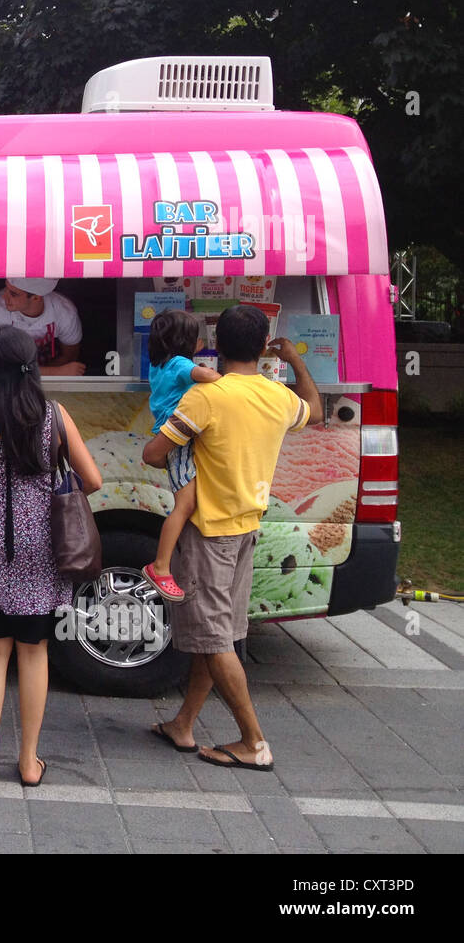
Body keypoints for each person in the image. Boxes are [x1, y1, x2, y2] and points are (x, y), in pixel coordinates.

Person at [142, 305, 322, 770]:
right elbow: (315, 411)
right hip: (246, 530)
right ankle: (184, 724)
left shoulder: (209, 397)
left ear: (215, 346)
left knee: (216, 641)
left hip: (209, 534)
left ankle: (253, 742)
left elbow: (154, 454)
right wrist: (296, 361)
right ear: (264, 348)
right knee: (215, 636)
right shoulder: (278, 397)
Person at [0, 325, 102, 793]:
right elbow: (94, 479)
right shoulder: (53, 415)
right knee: (34, 651)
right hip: (42, 547)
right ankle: (29, 762)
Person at [141, 309, 222, 602]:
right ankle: (160, 566)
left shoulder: (158, 365)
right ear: (191, 342)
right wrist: (224, 378)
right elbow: (207, 376)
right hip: (178, 442)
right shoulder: (179, 364)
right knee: (184, 505)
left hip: (175, 439)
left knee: (188, 504)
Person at [0, 278, 86, 376]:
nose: (4, 296)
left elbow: (70, 356)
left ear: (36, 298)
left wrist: (30, 373)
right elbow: (0, 365)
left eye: (13, 294)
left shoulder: (65, 311)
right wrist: (56, 372)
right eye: (6, 288)